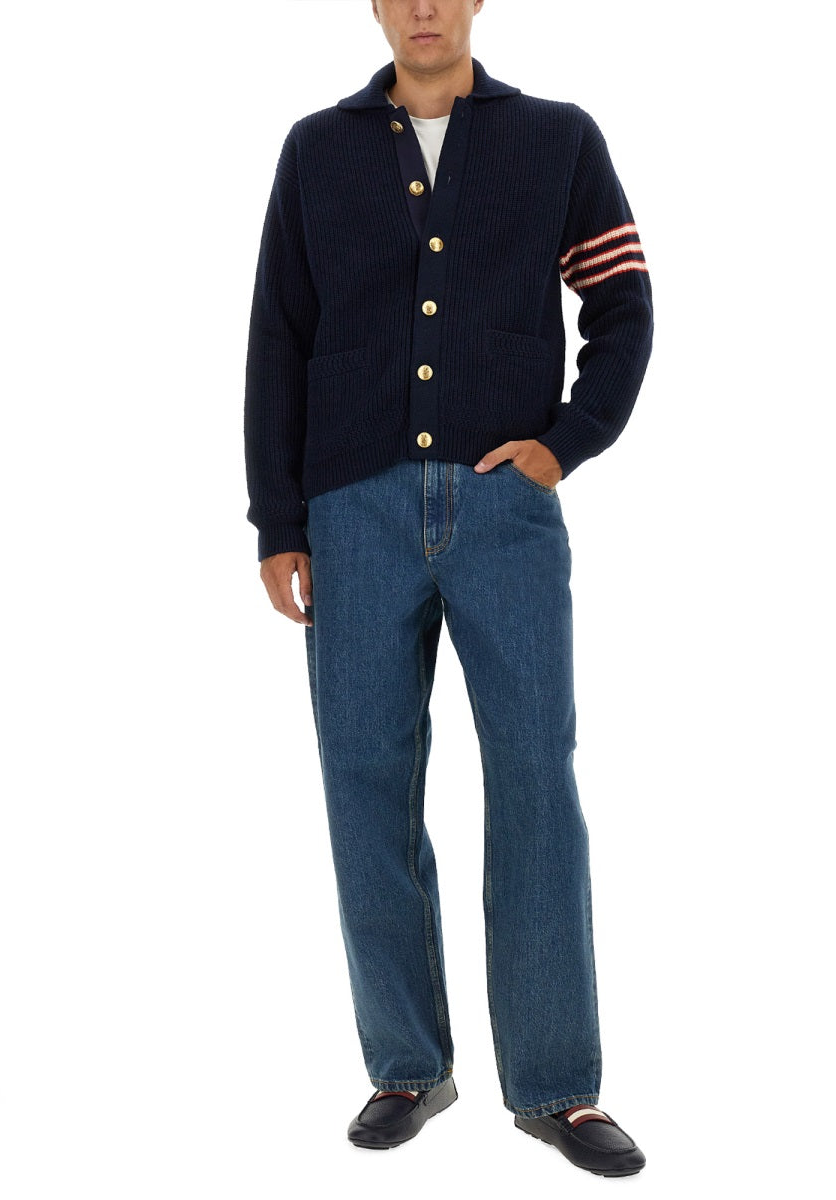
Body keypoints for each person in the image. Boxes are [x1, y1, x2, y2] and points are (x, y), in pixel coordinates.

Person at [243, 0, 653, 1177]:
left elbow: (623, 305)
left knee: (534, 781)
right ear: (376, 4)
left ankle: (559, 1088)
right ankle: (406, 1066)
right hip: (351, 513)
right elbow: (278, 337)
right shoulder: (316, 150)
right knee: (365, 785)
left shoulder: (557, 139)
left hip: (505, 511)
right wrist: (280, 521)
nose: (424, 5)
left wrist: (565, 444)